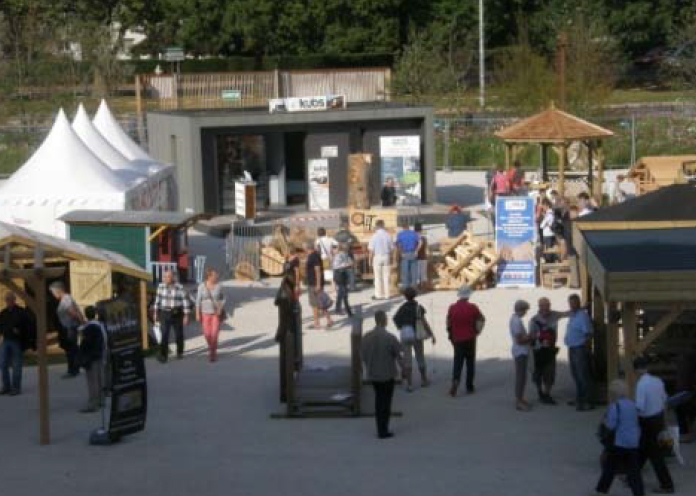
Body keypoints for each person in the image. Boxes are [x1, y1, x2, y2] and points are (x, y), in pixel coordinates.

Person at [595, 379, 645, 496]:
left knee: (610, 467)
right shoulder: (633, 405)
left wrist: (604, 422)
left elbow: (611, 426)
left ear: (614, 393)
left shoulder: (615, 406)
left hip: (619, 442)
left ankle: (601, 490)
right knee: (634, 470)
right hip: (633, 441)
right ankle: (639, 492)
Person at [634, 357, 675, 494]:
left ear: (637, 370)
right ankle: (632, 476)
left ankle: (667, 484)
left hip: (646, 421)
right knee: (643, 450)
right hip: (657, 419)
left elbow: (640, 407)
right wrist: (665, 420)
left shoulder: (641, 385)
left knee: (653, 454)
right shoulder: (657, 381)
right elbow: (665, 400)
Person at [361, 310, 402, 439]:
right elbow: (398, 355)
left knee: (378, 400)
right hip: (387, 373)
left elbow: (362, 355)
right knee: (386, 402)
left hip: (373, 373)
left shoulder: (366, 337)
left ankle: (380, 428)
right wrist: (404, 370)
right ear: (384, 320)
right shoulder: (390, 337)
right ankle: (384, 429)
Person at [393, 287, 435, 391]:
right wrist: (431, 334)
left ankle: (409, 385)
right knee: (420, 357)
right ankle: (424, 380)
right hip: (416, 335)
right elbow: (424, 322)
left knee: (407, 360)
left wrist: (401, 327)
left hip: (405, 335)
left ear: (405, 296)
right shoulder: (418, 307)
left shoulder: (402, 307)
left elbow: (395, 318)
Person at [446, 286, 484, 397]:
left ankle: (455, 381)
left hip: (457, 339)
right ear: (468, 296)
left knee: (458, 361)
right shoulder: (473, 307)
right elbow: (481, 318)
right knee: (470, 362)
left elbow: (448, 323)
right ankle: (469, 386)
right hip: (470, 338)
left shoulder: (452, 308)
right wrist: (477, 330)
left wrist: (450, 335)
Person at [529, 298, 564, 404]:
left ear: (550, 306)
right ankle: (540, 393)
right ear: (539, 307)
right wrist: (540, 339)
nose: (545, 308)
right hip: (538, 350)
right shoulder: (533, 320)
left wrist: (582, 308)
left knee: (550, 373)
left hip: (550, 350)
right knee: (537, 373)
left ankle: (547, 393)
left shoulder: (554, 315)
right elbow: (531, 336)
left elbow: (568, 313)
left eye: (547, 305)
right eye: (542, 306)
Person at [153, 270, 192, 362]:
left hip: (177, 313)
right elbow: (157, 301)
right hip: (164, 313)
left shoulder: (180, 287)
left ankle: (179, 352)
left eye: (169, 276)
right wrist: (155, 313)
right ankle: (163, 355)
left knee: (179, 334)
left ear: (173, 277)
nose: (167, 278)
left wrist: (186, 315)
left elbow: (185, 301)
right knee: (164, 334)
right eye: (165, 277)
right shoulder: (160, 286)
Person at [565, 294, 595, 411]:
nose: (572, 305)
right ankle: (579, 398)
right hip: (572, 348)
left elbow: (589, 334)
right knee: (576, 375)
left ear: (578, 303)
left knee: (583, 375)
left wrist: (586, 349)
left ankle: (587, 401)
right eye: (571, 303)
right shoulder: (573, 315)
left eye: (574, 303)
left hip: (580, 349)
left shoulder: (583, 316)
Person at [49, 281, 84, 378]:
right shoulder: (65, 299)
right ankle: (74, 369)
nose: (53, 294)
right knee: (71, 349)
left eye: (53, 292)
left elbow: (72, 312)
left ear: (58, 290)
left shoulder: (66, 299)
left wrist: (83, 323)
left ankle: (72, 370)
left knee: (71, 350)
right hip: (67, 328)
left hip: (69, 328)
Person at [275, 271, 300, 403]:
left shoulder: (285, 290)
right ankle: (285, 394)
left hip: (287, 330)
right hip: (286, 331)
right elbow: (287, 314)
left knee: (287, 364)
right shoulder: (285, 293)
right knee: (286, 364)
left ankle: (286, 392)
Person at [0, 293, 32, 395]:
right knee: (3, 364)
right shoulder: (3, 313)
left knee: (16, 365)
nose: (8, 302)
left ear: (14, 300)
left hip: (16, 341)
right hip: (6, 340)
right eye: (7, 300)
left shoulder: (21, 312)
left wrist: (19, 331)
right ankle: (6, 387)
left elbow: (27, 326)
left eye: (10, 300)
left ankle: (16, 388)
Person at [78, 306, 106, 413]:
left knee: (92, 381)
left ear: (86, 315)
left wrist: (81, 351)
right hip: (100, 355)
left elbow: (86, 344)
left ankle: (93, 404)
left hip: (91, 357)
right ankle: (101, 400)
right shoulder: (100, 326)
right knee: (100, 379)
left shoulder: (88, 328)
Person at [196, 268, 227, 362]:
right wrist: (197, 313)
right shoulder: (202, 286)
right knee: (207, 334)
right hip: (205, 313)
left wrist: (220, 308)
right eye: (214, 275)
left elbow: (223, 298)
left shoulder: (219, 286)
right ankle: (211, 347)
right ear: (209, 276)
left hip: (216, 313)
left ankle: (212, 352)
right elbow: (198, 300)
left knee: (214, 333)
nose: (216, 276)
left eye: (216, 275)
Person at [510, 300, 532, 411]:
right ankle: (519, 401)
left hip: (520, 351)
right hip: (521, 351)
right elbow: (520, 340)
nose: (526, 313)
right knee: (521, 377)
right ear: (521, 310)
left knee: (522, 376)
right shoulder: (517, 322)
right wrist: (531, 337)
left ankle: (520, 398)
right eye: (525, 310)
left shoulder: (514, 319)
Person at [305, 241, 333, 329]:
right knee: (321, 302)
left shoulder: (313, 256)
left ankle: (316, 323)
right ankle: (329, 320)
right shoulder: (314, 255)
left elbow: (317, 270)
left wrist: (318, 284)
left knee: (315, 304)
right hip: (314, 283)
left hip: (314, 283)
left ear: (307, 247)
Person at [368, 220, 394, 301]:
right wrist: (392, 258)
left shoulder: (374, 236)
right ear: (383, 226)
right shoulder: (388, 235)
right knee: (386, 276)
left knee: (378, 277)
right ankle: (387, 295)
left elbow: (371, 250)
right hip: (386, 256)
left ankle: (379, 295)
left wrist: (370, 259)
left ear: (377, 226)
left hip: (377, 257)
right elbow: (392, 248)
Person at [674, 347, 696, 442]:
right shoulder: (689, 363)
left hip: (683, 391)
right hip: (688, 391)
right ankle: (687, 433)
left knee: (681, 411)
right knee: (687, 412)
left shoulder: (682, 361)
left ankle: (684, 433)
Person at [395, 221, 421, 290]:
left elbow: (398, 244)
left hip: (405, 253)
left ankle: (406, 288)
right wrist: (416, 251)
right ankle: (414, 287)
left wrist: (401, 252)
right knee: (414, 271)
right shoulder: (414, 233)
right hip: (413, 253)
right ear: (408, 227)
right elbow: (420, 243)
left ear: (402, 228)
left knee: (405, 272)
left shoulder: (400, 234)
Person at [334, 220, 359, 291]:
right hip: (348, 253)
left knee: (341, 270)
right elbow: (354, 241)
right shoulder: (349, 234)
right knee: (350, 270)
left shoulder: (336, 235)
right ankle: (352, 287)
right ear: (346, 226)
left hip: (339, 253)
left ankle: (342, 287)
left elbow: (334, 244)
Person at [332, 243, 353, 317]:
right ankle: (348, 311)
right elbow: (336, 266)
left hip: (343, 275)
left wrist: (348, 264)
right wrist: (347, 265)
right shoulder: (339, 255)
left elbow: (351, 262)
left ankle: (338, 309)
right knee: (344, 294)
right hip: (339, 274)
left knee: (341, 293)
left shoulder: (346, 254)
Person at [414, 222, 429, 291]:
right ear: (421, 229)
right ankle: (423, 287)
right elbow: (426, 248)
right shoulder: (423, 238)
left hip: (416, 257)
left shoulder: (413, 237)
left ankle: (417, 287)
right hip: (423, 257)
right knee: (423, 273)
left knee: (417, 273)